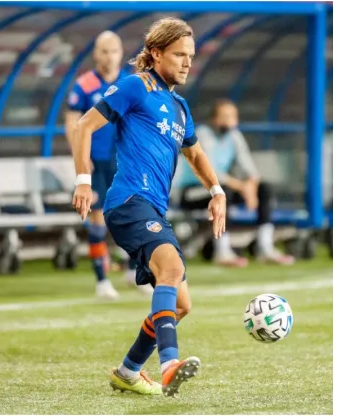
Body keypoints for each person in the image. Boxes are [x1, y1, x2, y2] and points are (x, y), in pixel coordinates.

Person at [71, 17, 225, 397]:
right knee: (170, 267)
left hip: (153, 209)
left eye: (190, 56)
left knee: (181, 304)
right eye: (179, 55)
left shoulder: (180, 107)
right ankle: (169, 363)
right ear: (155, 54)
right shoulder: (136, 86)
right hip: (128, 201)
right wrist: (83, 180)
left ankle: (128, 371)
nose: (187, 63)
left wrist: (217, 190)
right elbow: (83, 127)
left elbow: (196, 153)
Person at [64, 31, 152, 299]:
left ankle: (134, 272)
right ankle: (101, 280)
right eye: (104, 51)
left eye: (114, 50)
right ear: (96, 54)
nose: (110, 56)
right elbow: (72, 122)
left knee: (133, 215)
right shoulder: (85, 85)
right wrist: (81, 158)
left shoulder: (130, 82)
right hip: (98, 161)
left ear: (121, 52)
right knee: (98, 218)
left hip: (125, 161)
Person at [176, 99, 295, 266]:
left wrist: (251, 187)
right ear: (214, 119)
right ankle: (222, 251)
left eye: (232, 116)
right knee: (223, 193)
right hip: (193, 192)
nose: (229, 120)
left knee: (264, 189)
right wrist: (242, 187)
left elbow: (249, 168)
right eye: (225, 116)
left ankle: (265, 247)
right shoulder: (201, 134)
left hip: (222, 189)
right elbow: (210, 172)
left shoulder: (234, 136)